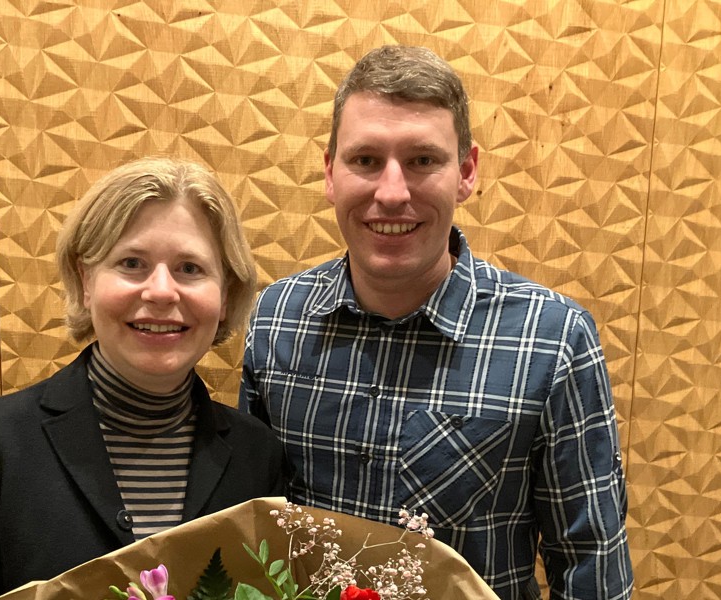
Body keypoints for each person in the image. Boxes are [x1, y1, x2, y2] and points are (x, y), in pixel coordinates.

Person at [240, 46, 633, 600]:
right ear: (330, 172)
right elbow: (252, 530)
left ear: (466, 172)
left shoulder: (554, 339)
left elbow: (592, 569)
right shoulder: (277, 318)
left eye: (423, 160)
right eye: (366, 160)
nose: (393, 192)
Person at [0, 157, 287, 599]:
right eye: (132, 262)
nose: (161, 291)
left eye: (190, 268)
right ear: (86, 282)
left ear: (225, 295)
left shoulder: (259, 456)